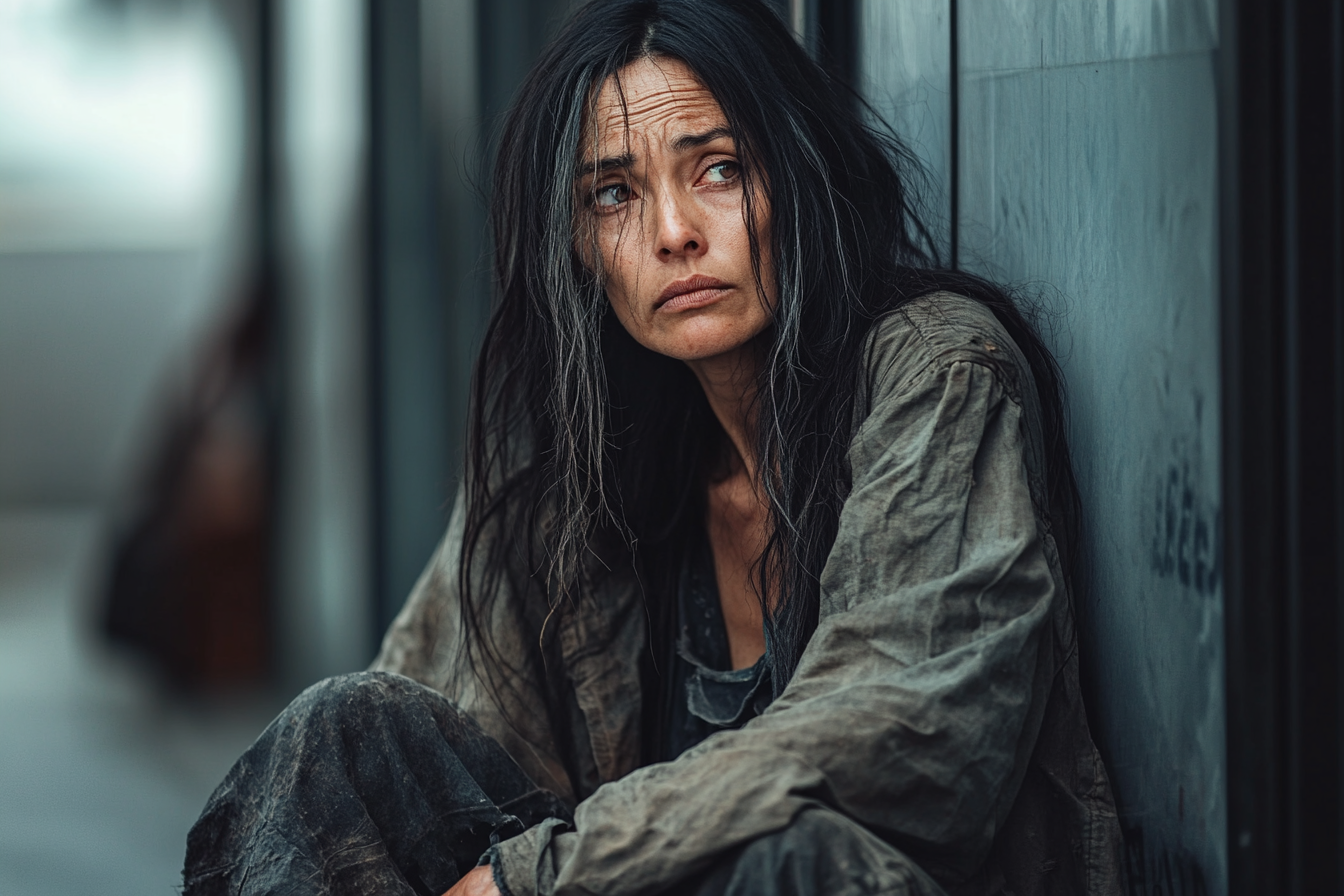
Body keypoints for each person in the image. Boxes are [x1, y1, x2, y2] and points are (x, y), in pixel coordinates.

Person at [182, 1, 1126, 894]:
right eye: (613, 194)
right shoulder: (577, 456)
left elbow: (902, 736)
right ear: (582, 248)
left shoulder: (936, 373)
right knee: (340, 736)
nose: (673, 233)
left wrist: (543, 876)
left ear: (798, 176)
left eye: (717, 169)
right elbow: (426, 711)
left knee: (789, 859)